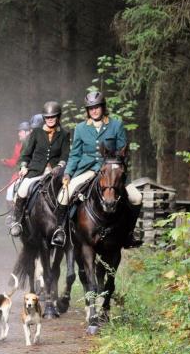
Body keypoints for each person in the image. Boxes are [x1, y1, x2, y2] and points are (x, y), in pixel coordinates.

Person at [51, 91, 143, 247]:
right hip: (87, 169)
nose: (94, 110)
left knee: (136, 197)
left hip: (112, 173)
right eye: (91, 108)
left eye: (97, 107)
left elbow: (122, 152)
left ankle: (129, 233)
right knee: (63, 195)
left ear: (103, 108)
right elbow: (75, 155)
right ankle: (61, 231)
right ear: (87, 110)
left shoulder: (116, 125)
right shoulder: (80, 128)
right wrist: (68, 174)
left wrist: (120, 171)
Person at [9, 101, 71, 236]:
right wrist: (24, 166)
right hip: (36, 171)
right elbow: (26, 154)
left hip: (55, 173)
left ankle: (62, 227)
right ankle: (17, 221)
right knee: (22, 189)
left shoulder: (64, 134)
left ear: (58, 117)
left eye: (53, 117)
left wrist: (60, 166)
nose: (50, 120)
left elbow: (66, 155)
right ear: (44, 118)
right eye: (47, 117)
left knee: (67, 193)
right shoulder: (36, 133)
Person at [1, 121, 31, 201]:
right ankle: (12, 213)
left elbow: (16, 162)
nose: (19, 134)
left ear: (27, 132)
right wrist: (5, 161)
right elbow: (16, 160)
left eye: (20, 132)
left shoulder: (32, 143)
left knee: (10, 191)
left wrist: (6, 162)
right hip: (20, 171)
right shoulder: (18, 145)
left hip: (26, 172)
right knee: (9, 192)